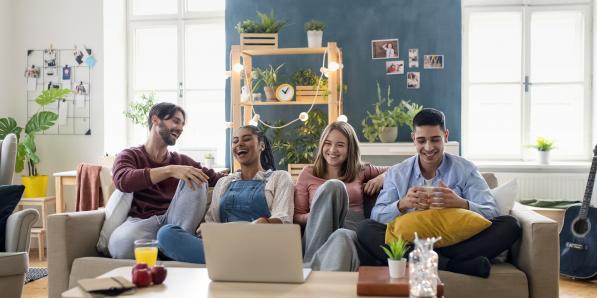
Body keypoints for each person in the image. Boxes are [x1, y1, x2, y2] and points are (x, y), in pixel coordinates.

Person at [356, 108, 521, 278]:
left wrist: (461, 203)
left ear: (446, 136)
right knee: (365, 229)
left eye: (435, 139)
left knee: (511, 225)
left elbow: (491, 212)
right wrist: (402, 204)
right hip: (413, 243)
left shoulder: (465, 169)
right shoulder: (397, 173)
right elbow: (376, 217)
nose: (428, 147)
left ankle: (436, 261)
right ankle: (453, 265)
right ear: (413, 138)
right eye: (421, 140)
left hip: (458, 242)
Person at [156, 125, 294, 264]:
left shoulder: (279, 177)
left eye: (246, 139)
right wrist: (206, 231)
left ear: (261, 146)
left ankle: (227, 261)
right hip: (223, 245)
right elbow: (211, 222)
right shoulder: (223, 182)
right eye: (235, 141)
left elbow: (283, 220)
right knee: (166, 233)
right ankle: (233, 261)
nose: (239, 144)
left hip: (258, 245)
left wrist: (258, 225)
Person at [108, 102, 226, 259]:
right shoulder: (130, 155)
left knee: (197, 177)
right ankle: (169, 250)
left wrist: (250, 174)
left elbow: (216, 179)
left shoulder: (182, 161)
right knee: (119, 246)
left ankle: (175, 243)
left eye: (182, 124)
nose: (180, 128)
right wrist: (170, 170)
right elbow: (123, 180)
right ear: (156, 120)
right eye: (176, 121)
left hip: (176, 222)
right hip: (142, 223)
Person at [294, 121, 388, 271]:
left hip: (350, 229)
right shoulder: (308, 173)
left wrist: (380, 178)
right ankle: (310, 264)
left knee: (342, 236)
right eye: (328, 143)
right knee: (334, 186)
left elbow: (400, 168)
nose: (332, 150)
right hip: (319, 232)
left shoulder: (361, 170)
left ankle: (311, 270)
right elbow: (297, 216)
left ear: (350, 148)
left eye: (340, 145)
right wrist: (322, 212)